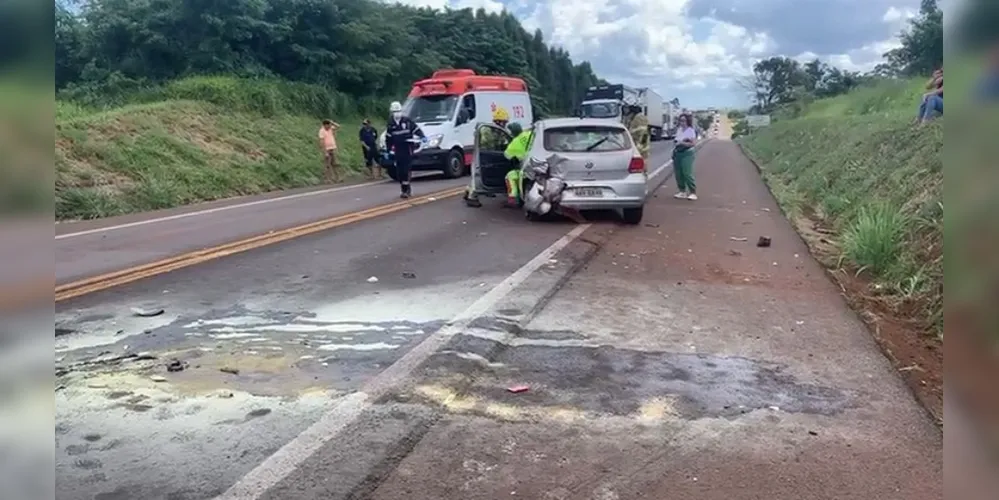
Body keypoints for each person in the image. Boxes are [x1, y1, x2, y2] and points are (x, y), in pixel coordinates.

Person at [464, 107, 513, 208]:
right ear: (498, 121)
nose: (505, 124)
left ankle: (469, 191)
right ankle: (472, 198)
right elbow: (487, 144)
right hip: (483, 155)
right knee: (477, 177)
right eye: (503, 122)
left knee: (481, 177)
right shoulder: (487, 131)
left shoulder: (499, 131)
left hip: (489, 156)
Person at [385, 101, 424, 198]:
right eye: (394, 111)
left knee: (406, 169)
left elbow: (416, 129)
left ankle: (406, 190)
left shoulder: (407, 121)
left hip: (407, 148)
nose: (396, 113)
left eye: (397, 111)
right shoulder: (390, 123)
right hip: (398, 149)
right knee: (399, 171)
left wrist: (422, 136)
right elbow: (389, 138)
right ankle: (404, 187)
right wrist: (388, 149)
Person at [502, 122, 533, 208]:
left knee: (510, 176)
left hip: (524, 170)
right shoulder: (530, 134)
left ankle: (512, 200)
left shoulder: (514, 143)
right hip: (537, 166)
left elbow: (507, 155)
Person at [672, 114, 698, 200]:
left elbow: (693, 143)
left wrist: (682, 143)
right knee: (678, 173)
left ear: (687, 121)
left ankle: (693, 192)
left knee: (687, 172)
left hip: (687, 153)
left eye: (683, 121)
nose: (682, 122)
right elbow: (676, 141)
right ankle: (682, 191)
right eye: (680, 120)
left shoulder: (690, 131)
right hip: (678, 152)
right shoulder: (679, 130)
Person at [317, 119, 341, 184]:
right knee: (327, 165)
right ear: (325, 125)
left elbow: (338, 126)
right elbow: (321, 142)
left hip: (332, 148)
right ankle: (328, 179)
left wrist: (332, 122)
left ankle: (337, 177)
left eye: (330, 125)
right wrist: (325, 152)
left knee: (335, 164)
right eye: (328, 125)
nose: (330, 126)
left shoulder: (330, 128)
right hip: (327, 149)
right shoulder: (322, 131)